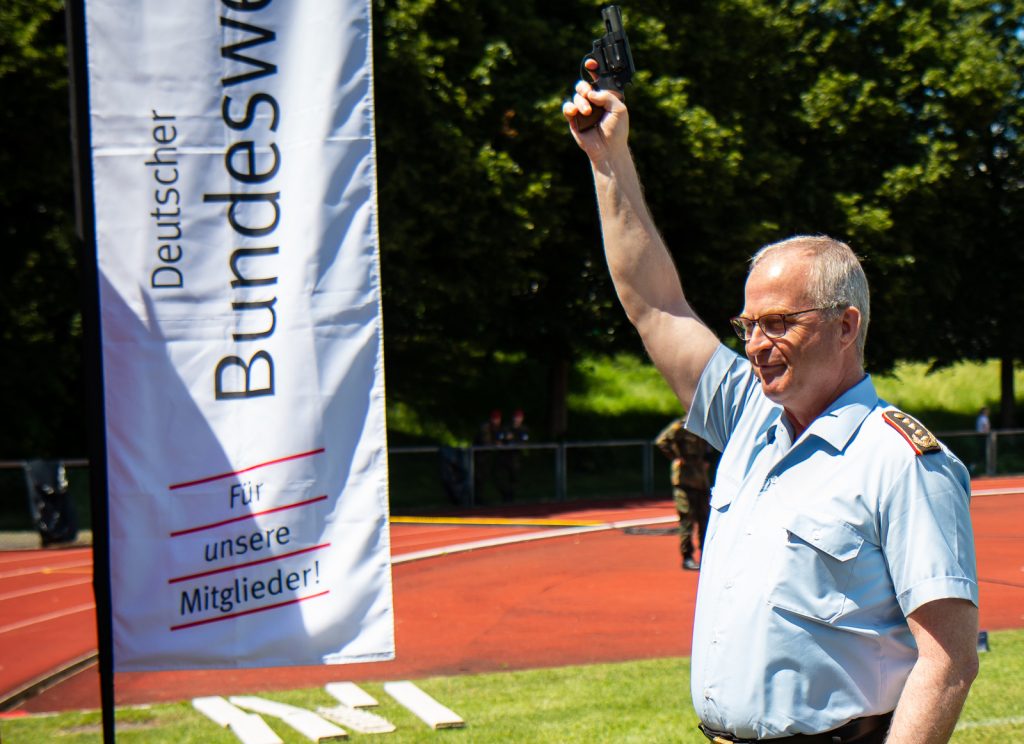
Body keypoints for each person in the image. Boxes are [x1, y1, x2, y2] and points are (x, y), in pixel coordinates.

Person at [564, 67, 979, 744]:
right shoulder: (750, 416)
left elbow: (949, 660)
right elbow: (656, 306)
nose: (756, 346)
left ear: (846, 326)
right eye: (748, 325)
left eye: (779, 323)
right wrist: (609, 159)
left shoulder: (902, 462)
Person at [655, 417, 712, 570]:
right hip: (684, 479)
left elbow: (708, 447)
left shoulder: (704, 425)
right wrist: (676, 457)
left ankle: (706, 555)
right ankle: (687, 557)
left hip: (701, 479)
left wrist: (707, 459)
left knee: (704, 520)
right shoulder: (681, 426)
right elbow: (662, 441)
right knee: (687, 518)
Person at [497, 408, 530, 502]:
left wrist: (513, 439)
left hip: (515, 456)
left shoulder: (524, 429)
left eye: (519, 417)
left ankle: (511, 497)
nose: (517, 419)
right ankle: (505, 496)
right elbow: (500, 439)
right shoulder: (506, 427)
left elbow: (524, 441)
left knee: (514, 477)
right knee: (502, 477)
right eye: (516, 417)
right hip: (504, 456)